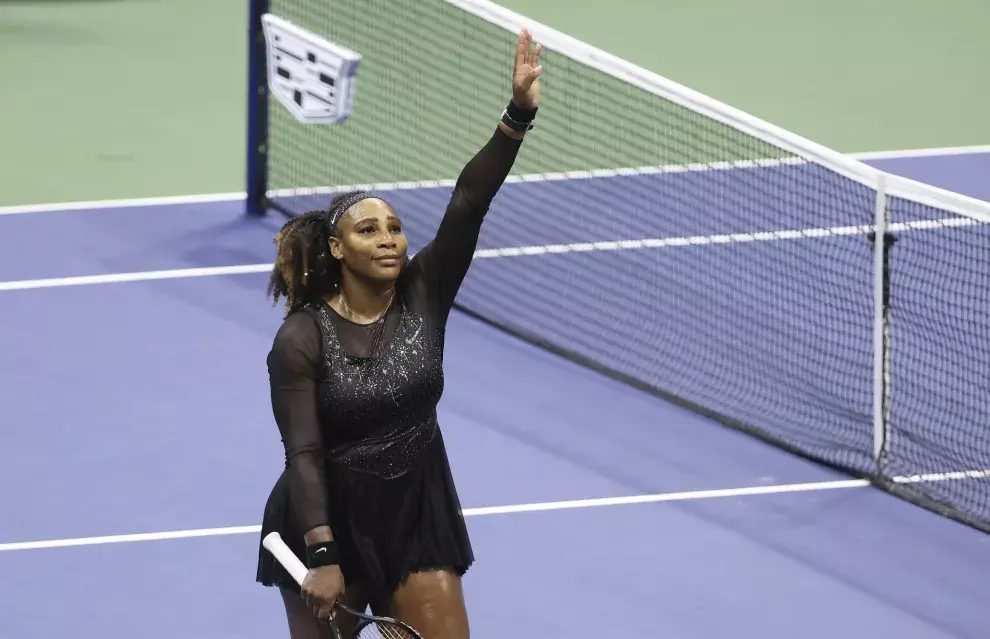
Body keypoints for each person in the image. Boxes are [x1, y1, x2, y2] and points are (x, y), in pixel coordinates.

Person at [255, 27, 544, 639]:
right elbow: (303, 454)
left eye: (394, 227)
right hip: (323, 520)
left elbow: (468, 201)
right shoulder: (302, 340)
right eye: (368, 230)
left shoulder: (424, 291)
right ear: (337, 248)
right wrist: (325, 557)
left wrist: (517, 114)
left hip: (416, 513)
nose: (388, 238)